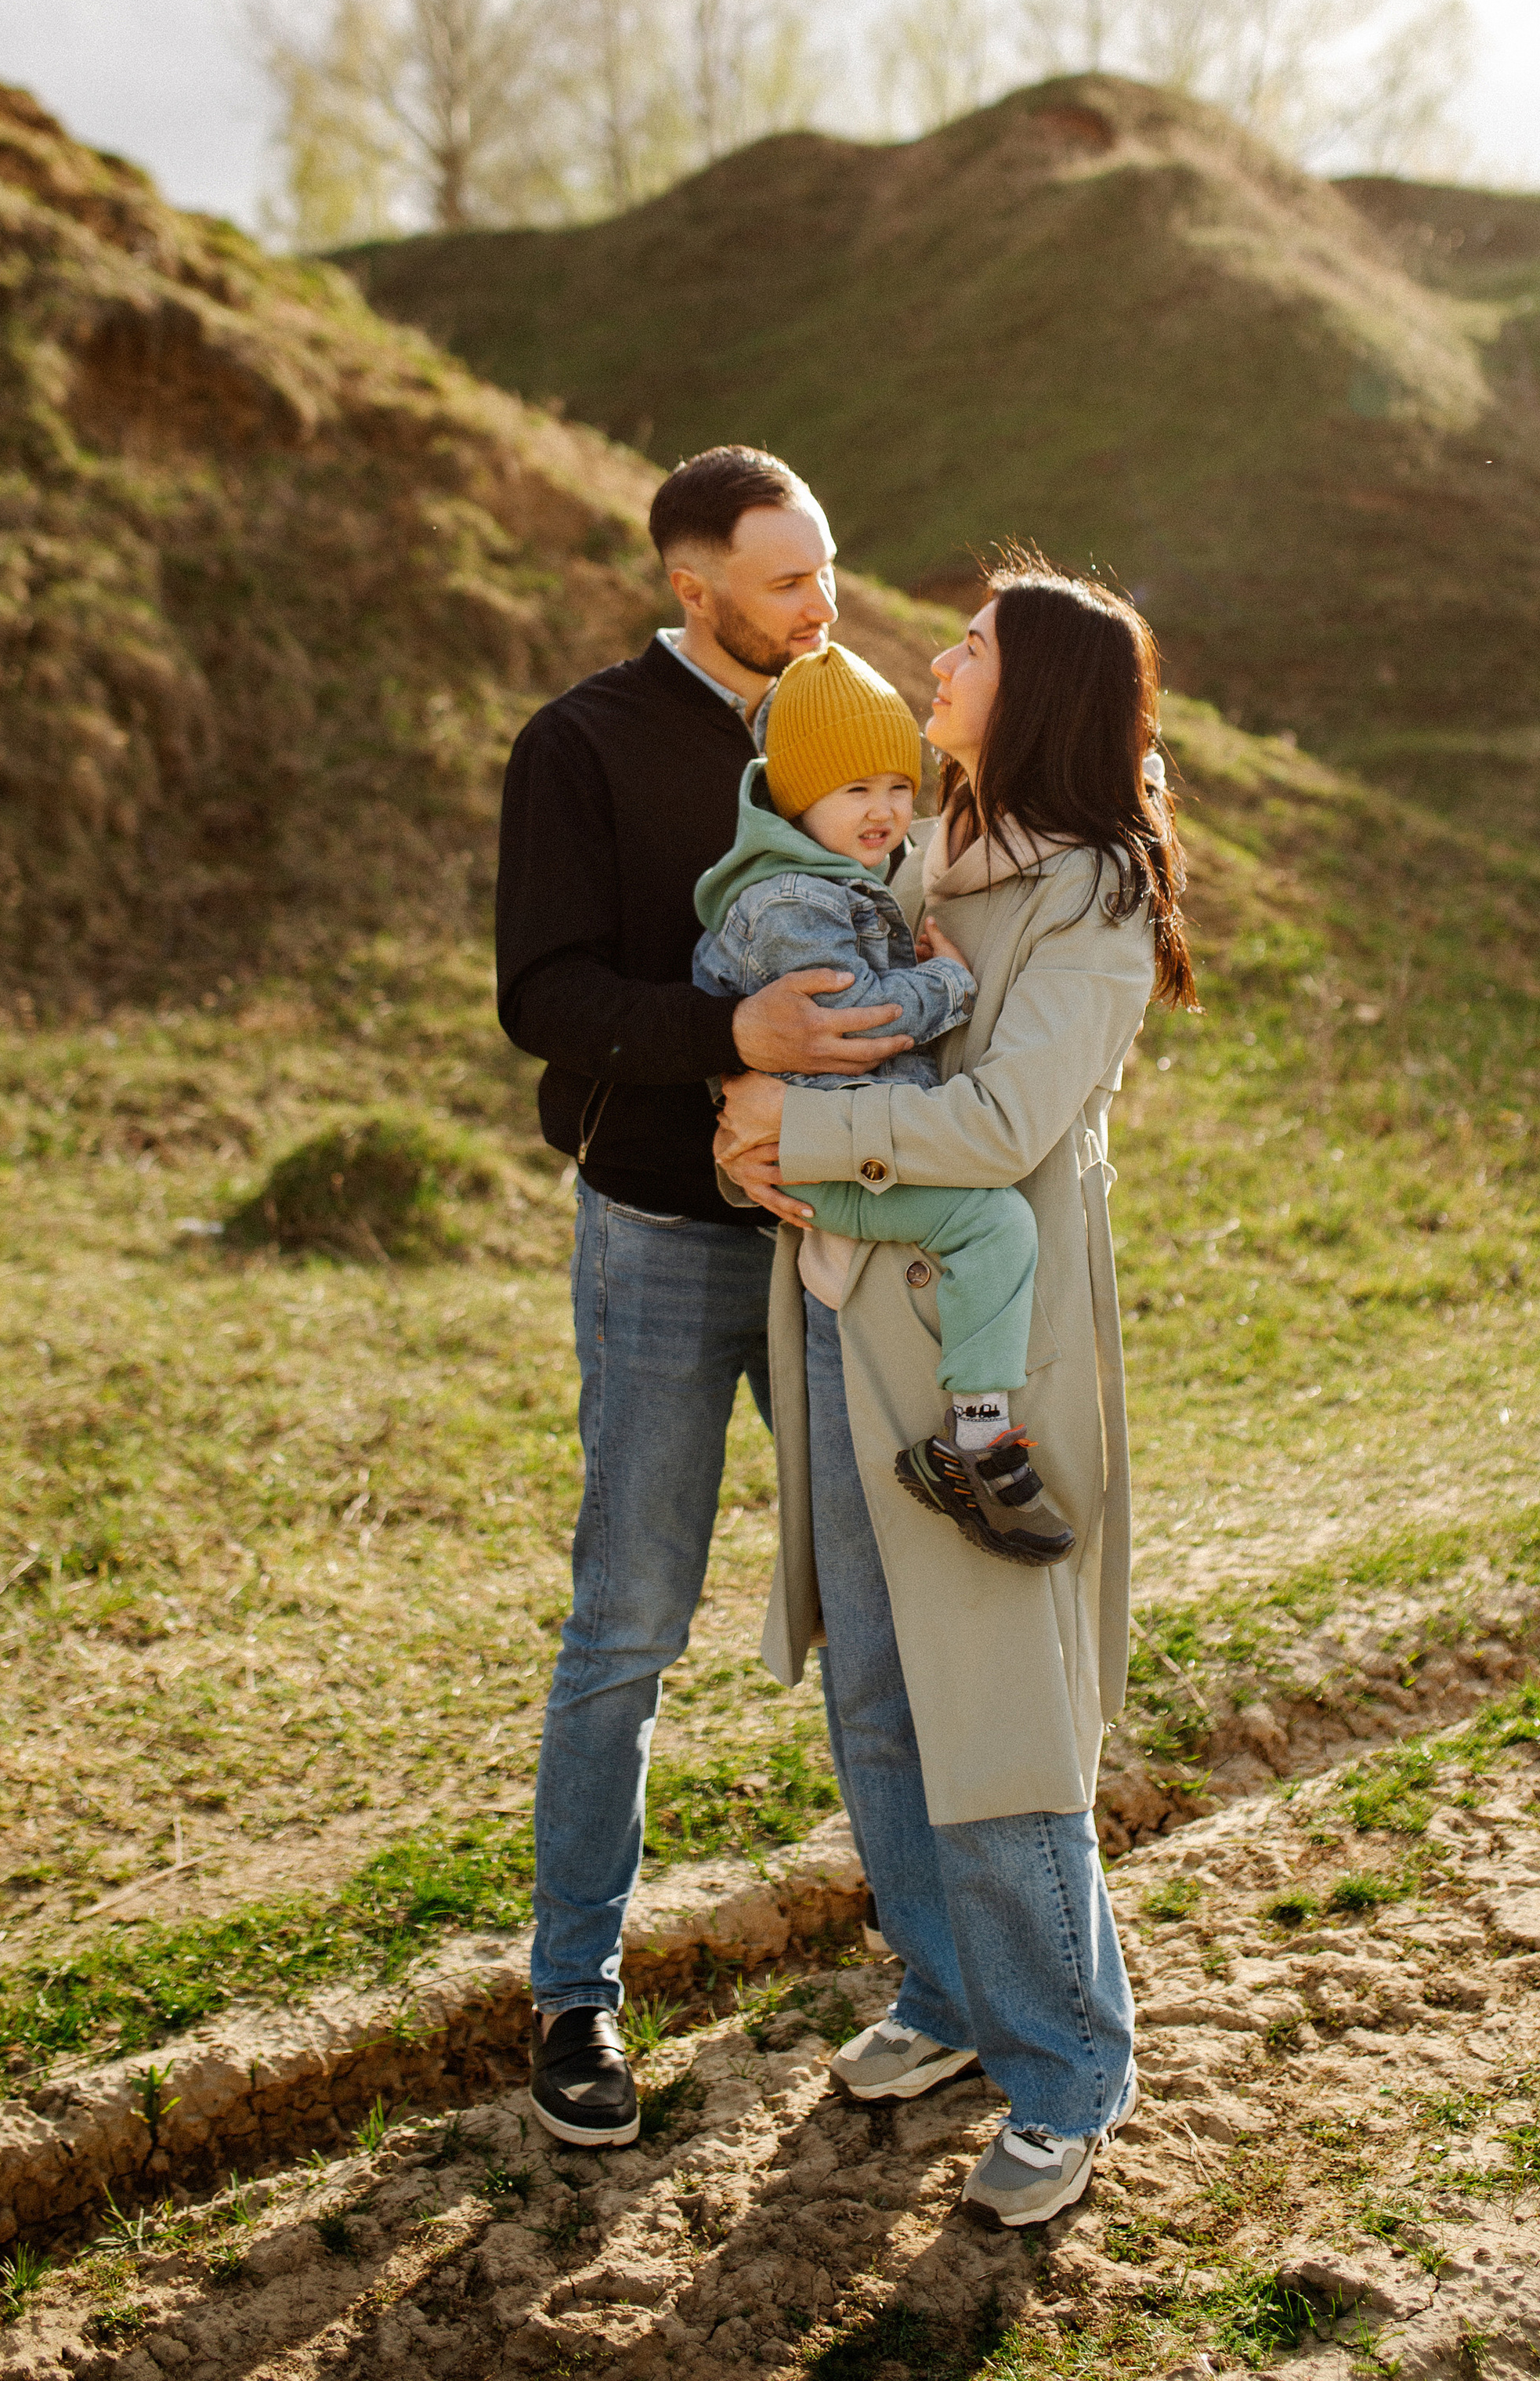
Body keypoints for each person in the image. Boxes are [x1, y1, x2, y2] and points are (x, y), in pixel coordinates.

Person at [715, 556, 1196, 2227]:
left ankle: (1066, 2070)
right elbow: (824, 1031)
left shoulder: (1094, 893)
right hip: (846, 1324)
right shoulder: (915, 849)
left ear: (1038, 689)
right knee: (877, 1703)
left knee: (995, 1720)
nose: (937, 658)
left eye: (972, 647)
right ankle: (945, 1994)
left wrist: (802, 1131)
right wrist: (747, 1122)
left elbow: (999, 1126)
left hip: (984, 1359)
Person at [495, 444, 916, 2150]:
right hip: (665, 1239)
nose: (824, 604)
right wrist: (729, 1036)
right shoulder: (582, 744)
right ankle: (573, 1993)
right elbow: (544, 995)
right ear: (693, 587)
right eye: (787, 580)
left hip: (850, 1238)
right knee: (629, 1624)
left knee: (888, 1609)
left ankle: (944, 1972)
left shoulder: (860, 725)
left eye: (828, 568)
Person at [692, 639, 1072, 1565]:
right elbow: (850, 1021)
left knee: (988, 1228)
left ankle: (975, 1431)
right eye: (854, 789)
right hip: (824, 1154)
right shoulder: (790, 901)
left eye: (898, 786)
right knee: (993, 1226)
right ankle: (975, 1441)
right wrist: (948, 984)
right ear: (797, 797)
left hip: (833, 1138)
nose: (885, 810)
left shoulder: (833, 879)